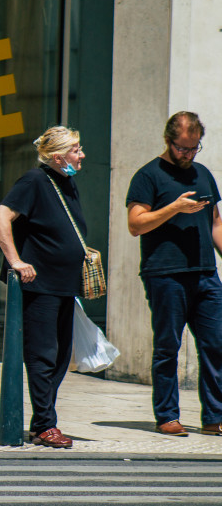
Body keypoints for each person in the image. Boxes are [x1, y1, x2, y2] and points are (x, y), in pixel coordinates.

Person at [126, 111, 222, 437]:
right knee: (168, 346)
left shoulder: (204, 174)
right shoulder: (148, 176)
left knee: (216, 344)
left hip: (206, 273)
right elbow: (135, 224)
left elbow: (215, 224)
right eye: (183, 148)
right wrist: (173, 209)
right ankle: (167, 415)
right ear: (168, 141)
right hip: (165, 273)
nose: (188, 155)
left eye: (194, 148)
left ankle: (215, 418)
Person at [0, 126, 87, 449]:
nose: (82, 154)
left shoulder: (67, 182)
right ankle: (46, 425)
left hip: (65, 285)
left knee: (60, 358)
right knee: (43, 357)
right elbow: (0, 218)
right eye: (76, 149)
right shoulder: (34, 181)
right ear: (58, 156)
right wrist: (16, 261)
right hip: (41, 285)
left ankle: (41, 422)